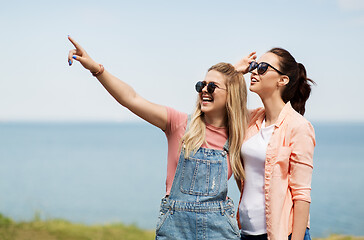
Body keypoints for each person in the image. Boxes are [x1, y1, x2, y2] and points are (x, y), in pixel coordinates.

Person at [67, 36, 247, 239]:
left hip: (219, 231)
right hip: (175, 230)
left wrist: (234, 73)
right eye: (201, 85)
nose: (204, 90)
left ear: (231, 92)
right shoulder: (179, 124)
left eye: (211, 86)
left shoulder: (240, 133)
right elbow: (130, 98)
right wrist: (96, 69)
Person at [233, 48, 316, 240]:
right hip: (246, 233)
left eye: (262, 68)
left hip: (281, 234)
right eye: (254, 66)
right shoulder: (250, 119)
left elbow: (301, 194)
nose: (254, 71)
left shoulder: (299, 127)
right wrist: (236, 70)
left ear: (282, 80)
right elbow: (218, 102)